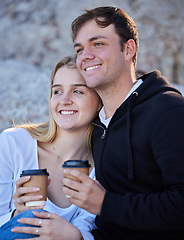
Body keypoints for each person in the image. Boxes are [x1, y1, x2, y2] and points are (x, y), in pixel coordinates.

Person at [61, 6, 184, 240]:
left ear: (128, 49)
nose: (84, 55)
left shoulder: (168, 111)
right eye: (79, 49)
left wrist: (106, 204)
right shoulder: (97, 124)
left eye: (98, 44)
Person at [0, 56, 101, 240]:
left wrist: (74, 236)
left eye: (77, 91)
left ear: (100, 101)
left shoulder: (103, 166)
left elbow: (88, 228)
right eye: (57, 91)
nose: (64, 100)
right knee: (29, 219)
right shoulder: (13, 143)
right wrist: (16, 216)